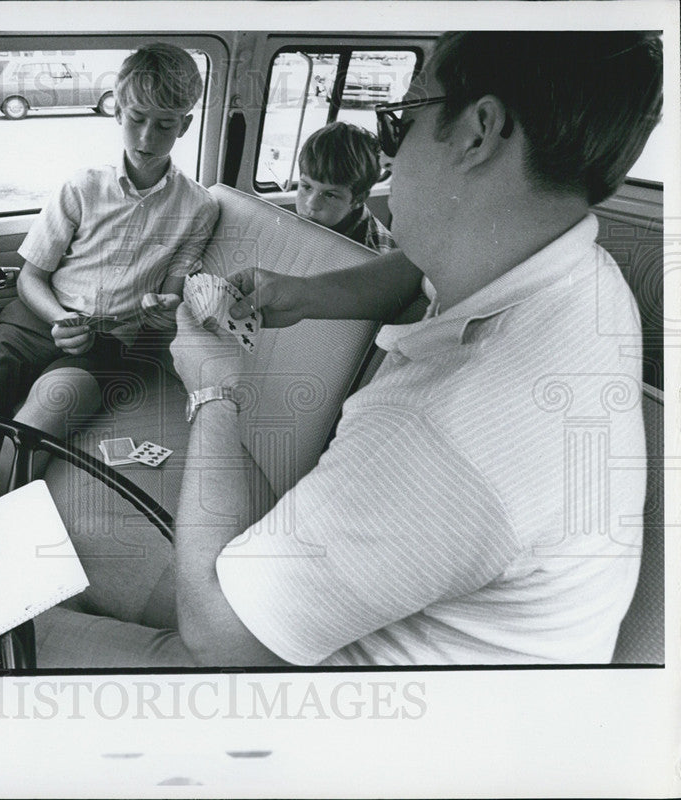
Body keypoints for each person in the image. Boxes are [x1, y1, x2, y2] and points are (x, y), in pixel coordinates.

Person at [33, 31, 662, 666]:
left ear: (479, 132)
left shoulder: (438, 437)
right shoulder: (578, 273)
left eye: (402, 120)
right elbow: (409, 270)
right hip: (370, 626)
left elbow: (219, 637)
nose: (389, 158)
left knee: (11, 644)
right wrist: (301, 295)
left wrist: (213, 389)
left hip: (331, 709)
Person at [0, 44, 218, 532]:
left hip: (102, 348)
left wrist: (163, 306)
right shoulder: (81, 187)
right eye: (137, 117)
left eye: (165, 124)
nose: (147, 136)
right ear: (118, 110)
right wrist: (59, 320)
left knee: (21, 457)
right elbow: (31, 277)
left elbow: (173, 292)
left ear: (184, 125)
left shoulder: (199, 208)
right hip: (34, 323)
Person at [295, 121, 395, 253]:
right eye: (307, 187)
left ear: (357, 200)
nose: (311, 204)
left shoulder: (368, 255)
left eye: (330, 195)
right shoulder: (320, 223)